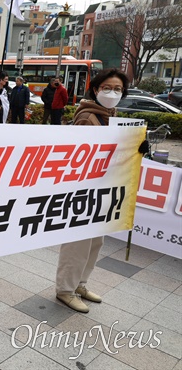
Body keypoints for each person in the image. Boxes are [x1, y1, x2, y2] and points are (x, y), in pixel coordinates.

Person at [55, 68, 129, 313]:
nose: (112, 92)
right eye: (107, 87)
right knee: (78, 242)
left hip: (103, 188)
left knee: (96, 240)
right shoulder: (88, 117)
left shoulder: (110, 116)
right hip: (84, 190)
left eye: (118, 89)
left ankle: (80, 284)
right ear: (96, 89)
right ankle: (65, 289)